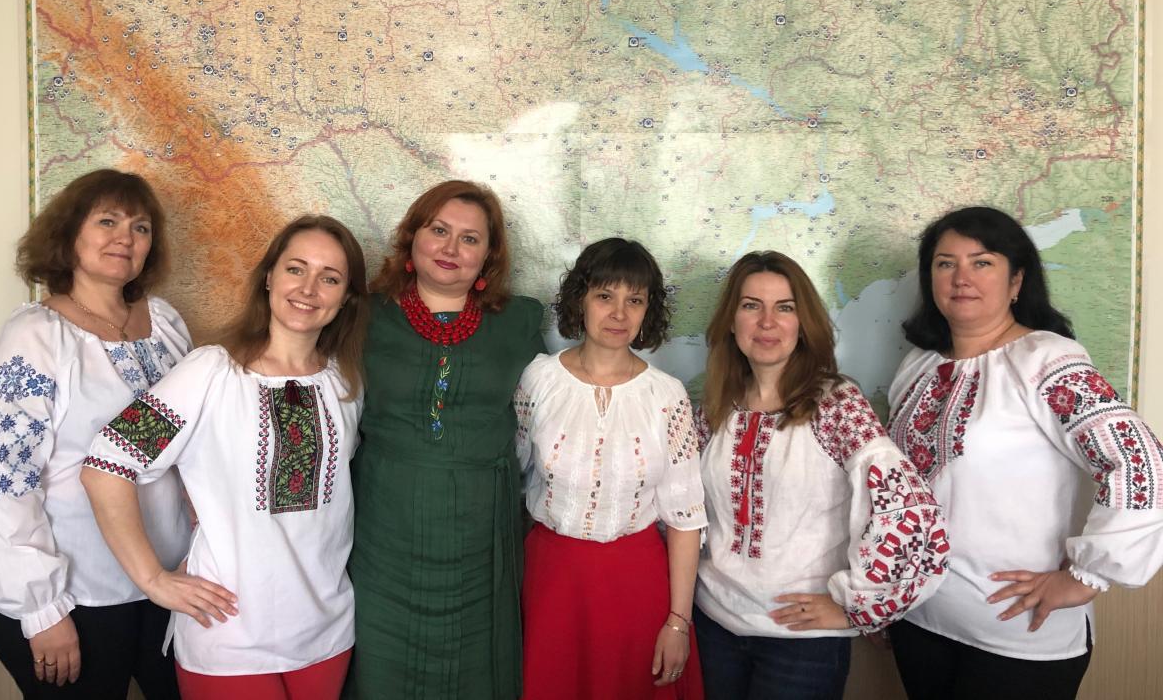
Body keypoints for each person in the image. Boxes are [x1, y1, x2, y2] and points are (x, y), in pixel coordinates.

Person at [80, 214, 368, 699]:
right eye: (296, 269)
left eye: (330, 278)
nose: (308, 288)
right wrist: (152, 579)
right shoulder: (210, 373)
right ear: (269, 277)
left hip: (327, 633)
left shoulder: (345, 381)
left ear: (346, 298)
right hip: (229, 636)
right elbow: (107, 463)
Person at [886, 205, 1163, 700]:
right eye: (946, 263)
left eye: (982, 262)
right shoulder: (918, 366)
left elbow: (1141, 461)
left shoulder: (1045, 361)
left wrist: (1085, 578)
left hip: (1017, 636)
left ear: (1016, 280)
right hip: (919, 619)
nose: (961, 277)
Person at [0, 169, 191, 698]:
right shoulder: (36, 336)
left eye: (140, 227)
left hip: (162, 582)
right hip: (73, 595)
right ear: (69, 235)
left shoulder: (165, 324)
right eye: (107, 221)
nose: (125, 238)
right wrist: (42, 608)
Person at [693, 251, 949, 700]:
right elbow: (683, 509)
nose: (767, 322)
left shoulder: (834, 403)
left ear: (803, 323)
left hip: (800, 644)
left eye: (785, 307)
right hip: (713, 626)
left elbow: (908, 508)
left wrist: (858, 606)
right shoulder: (715, 407)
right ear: (731, 322)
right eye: (751, 305)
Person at [347, 180, 546, 700]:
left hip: (482, 533)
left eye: (469, 238)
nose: (451, 248)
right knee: (379, 663)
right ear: (412, 238)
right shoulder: (361, 315)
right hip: (382, 528)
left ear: (489, 256)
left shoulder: (519, 321)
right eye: (439, 230)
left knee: (476, 666)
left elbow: (553, 416)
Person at [516, 238, 707, 700]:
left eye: (634, 300)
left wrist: (678, 622)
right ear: (580, 300)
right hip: (552, 579)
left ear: (647, 311)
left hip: (637, 583)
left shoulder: (667, 396)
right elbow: (513, 475)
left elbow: (685, 519)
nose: (619, 313)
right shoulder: (538, 380)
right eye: (605, 296)